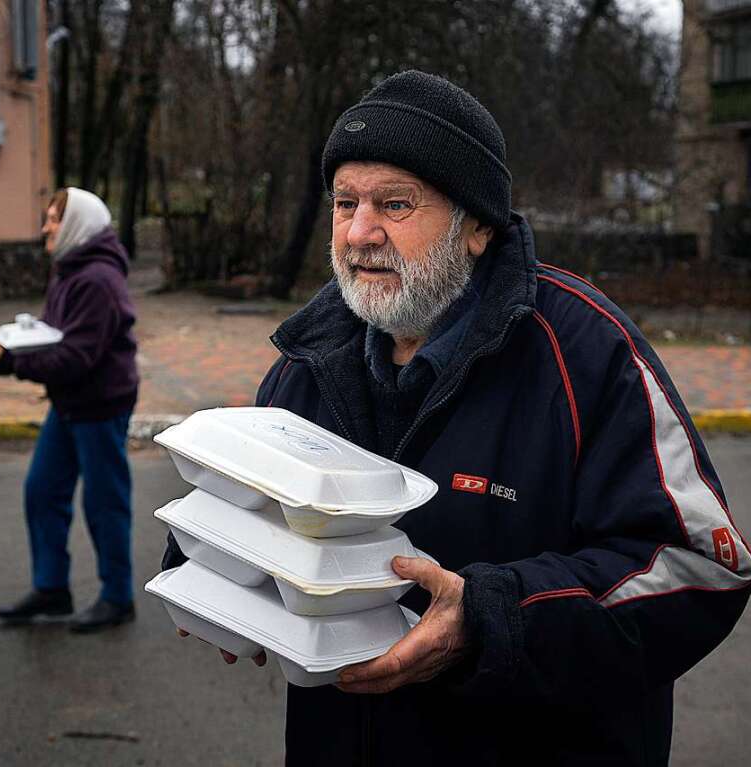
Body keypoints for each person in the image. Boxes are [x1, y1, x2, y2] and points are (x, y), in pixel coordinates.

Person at [163, 70, 750, 765]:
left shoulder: (586, 352)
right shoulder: (307, 361)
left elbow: (698, 568)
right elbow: (246, 514)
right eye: (344, 201)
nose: (357, 233)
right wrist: (212, 567)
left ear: (475, 225)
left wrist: (489, 620)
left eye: (394, 204)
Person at [0, 187, 139, 633]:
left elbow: (75, 357)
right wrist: (16, 338)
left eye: (53, 219)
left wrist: (8, 361)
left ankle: (117, 597)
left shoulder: (97, 281)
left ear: (76, 226)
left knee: (104, 502)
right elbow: (57, 334)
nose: (45, 227)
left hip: (99, 405)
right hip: (71, 403)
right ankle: (51, 589)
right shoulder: (70, 270)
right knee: (42, 491)